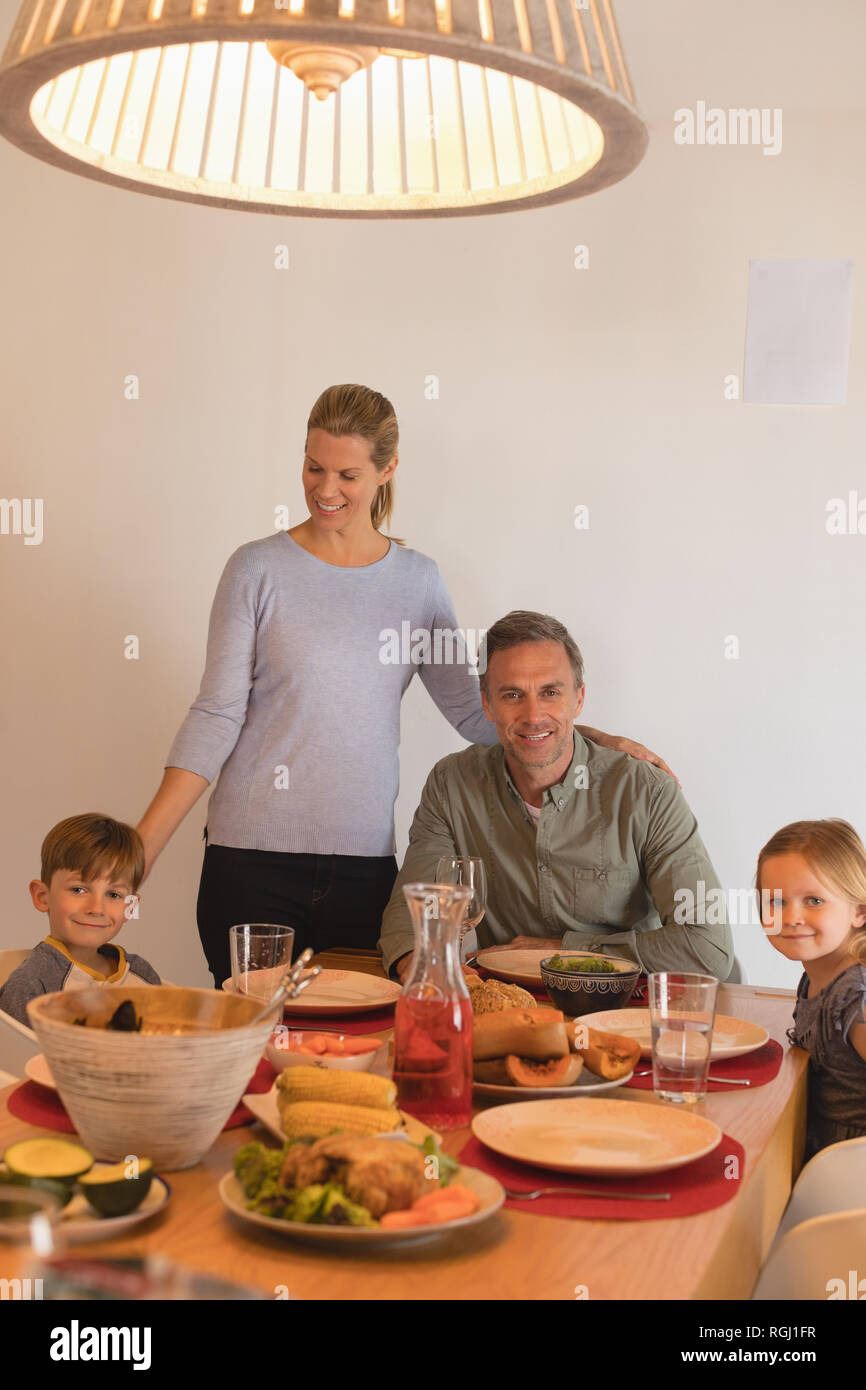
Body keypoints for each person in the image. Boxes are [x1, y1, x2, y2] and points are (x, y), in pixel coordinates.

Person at [136, 384, 673, 987]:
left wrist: (599, 740)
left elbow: (480, 715)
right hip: (250, 862)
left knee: (358, 1048)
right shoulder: (256, 568)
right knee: (256, 1050)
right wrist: (143, 845)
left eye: (347, 473)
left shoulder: (417, 582)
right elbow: (217, 713)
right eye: (313, 467)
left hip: (364, 869)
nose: (325, 489)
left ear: (387, 469)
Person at [379, 610, 733, 983]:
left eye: (550, 692)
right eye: (513, 694)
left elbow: (707, 946)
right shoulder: (451, 785)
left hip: (620, 1012)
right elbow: (415, 911)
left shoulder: (648, 792)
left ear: (578, 699)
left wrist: (561, 951)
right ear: (487, 704)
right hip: (503, 1011)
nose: (534, 715)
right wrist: (423, 967)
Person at [757, 818, 866, 1159]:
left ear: (859, 911)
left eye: (814, 901)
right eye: (776, 902)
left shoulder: (854, 996)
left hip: (844, 1179)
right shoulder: (817, 974)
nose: (791, 917)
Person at [0, 813, 160, 1027]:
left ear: (131, 906)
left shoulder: (143, 975)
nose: (96, 909)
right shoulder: (31, 986)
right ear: (42, 897)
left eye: (114, 895)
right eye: (78, 890)